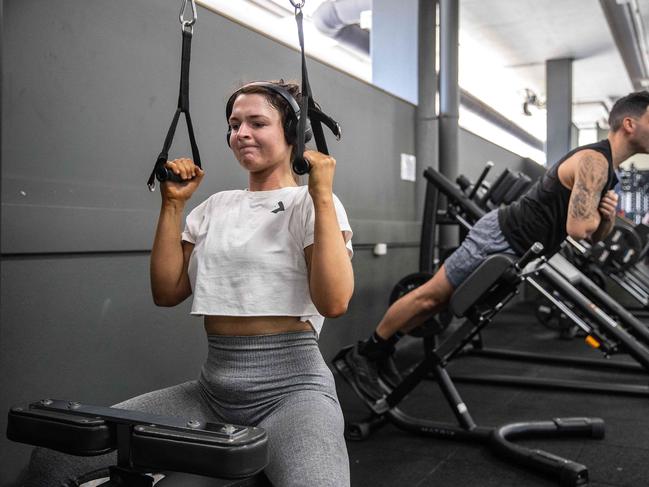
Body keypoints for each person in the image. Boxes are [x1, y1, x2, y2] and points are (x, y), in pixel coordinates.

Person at [24, 80, 354, 487]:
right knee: (55, 457)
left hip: (293, 394)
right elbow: (167, 291)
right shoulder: (215, 207)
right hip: (211, 392)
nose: (241, 133)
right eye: (234, 124)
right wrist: (173, 205)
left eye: (256, 123)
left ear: (292, 132)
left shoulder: (312, 204)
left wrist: (321, 196)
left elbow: (334, 301)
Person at [344, 90, 649, 402]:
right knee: (429, 297)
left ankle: (381, 351)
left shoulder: (609, 173)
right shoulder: (594, 161)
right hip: (500, 235)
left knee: (437, 303)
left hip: (518, 249)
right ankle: (365, 353)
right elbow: (580, 228)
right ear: (629, 123)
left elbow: (597, 235)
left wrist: (608, 218)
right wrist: (598, 220)